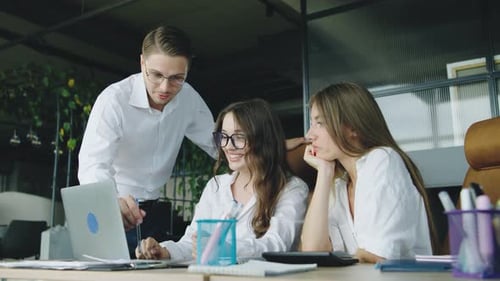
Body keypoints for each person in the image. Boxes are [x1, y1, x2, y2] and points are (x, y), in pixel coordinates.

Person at [77, 25, 217, 256]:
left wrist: (270, 148)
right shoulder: (114, 100)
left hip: (155, 213)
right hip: (114, 211)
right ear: (142, 63)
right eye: (156, 75)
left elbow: (217, 143)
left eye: (176, 78)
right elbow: (92, 165)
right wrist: (112, 203)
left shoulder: (188, 98)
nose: (165, 87)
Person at [135, 98, 309, 261]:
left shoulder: (291, 189)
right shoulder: (216, 186)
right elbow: (193, 243)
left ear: (264, 140)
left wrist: (225, 248)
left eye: (239, 137)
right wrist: (164, 251)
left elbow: (277, 245)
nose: (228, 146)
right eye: (223, 137)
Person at [300, 82, 438, 263]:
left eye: (320, 123)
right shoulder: (339, 184)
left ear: (353, 128)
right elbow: (312, 252)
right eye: (312, 123)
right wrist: (324, 172)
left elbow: (377, 256)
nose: (310, 135)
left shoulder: (382, 160)